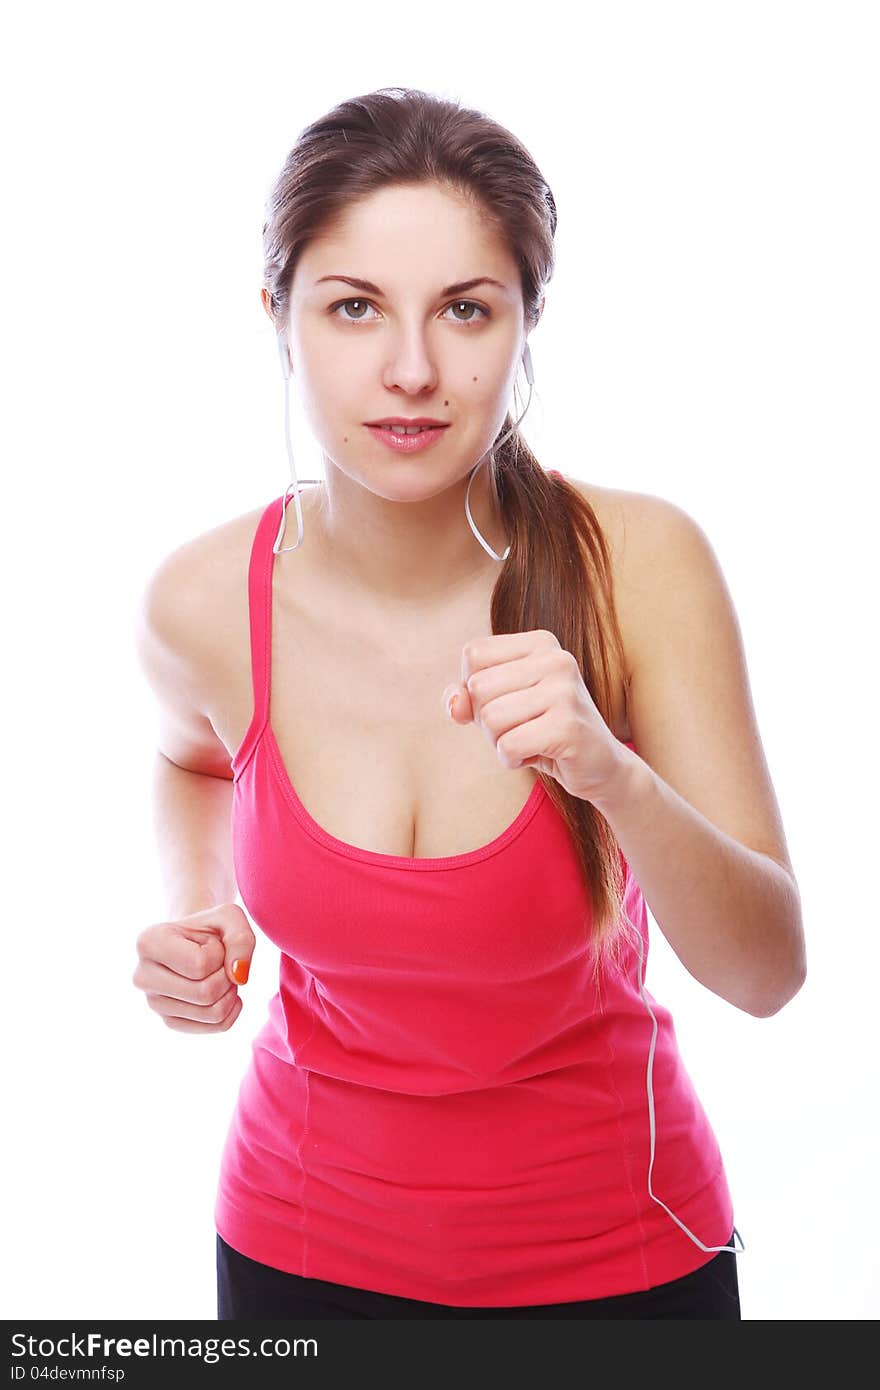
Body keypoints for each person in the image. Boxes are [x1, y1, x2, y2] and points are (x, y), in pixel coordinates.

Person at [132, 87, 805, 1321]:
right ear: (277, 317)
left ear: (527, 320)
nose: (411, 371)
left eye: (465, 309)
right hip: (293, 1253)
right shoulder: (201, 600)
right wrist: (196, 907)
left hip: (624, 1260)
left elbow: (767, 973)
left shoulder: (637, 566)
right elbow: (192, 761)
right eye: (352, 308)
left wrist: (611, 772)